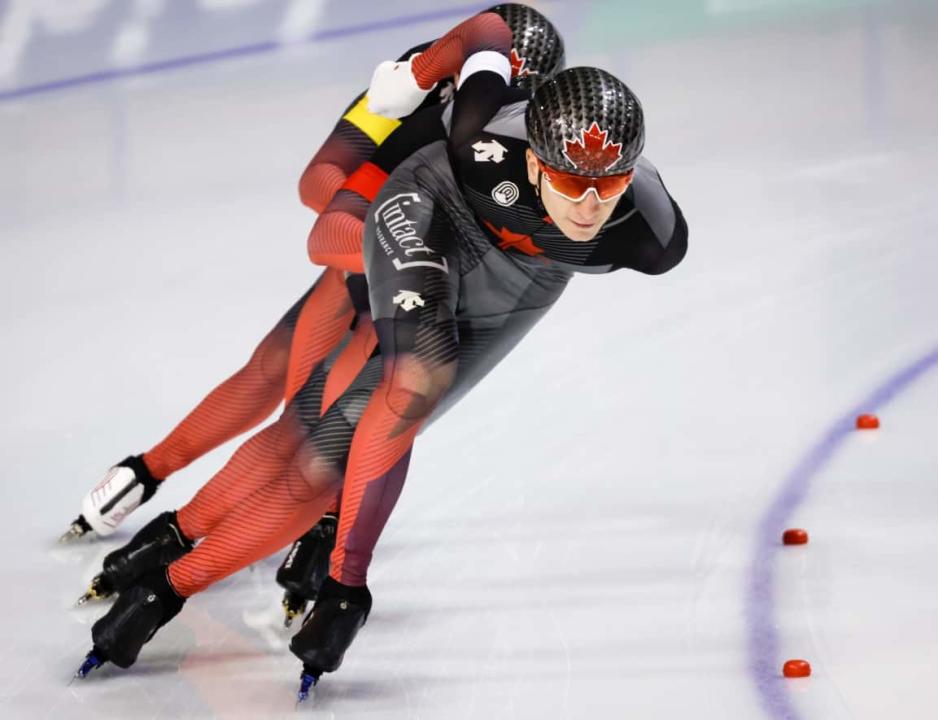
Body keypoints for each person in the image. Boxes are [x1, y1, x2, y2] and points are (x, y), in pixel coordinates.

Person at [78, 62, 687, 697]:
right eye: (569, 181)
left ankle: (181, 575)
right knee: (360, 385)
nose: (590, 205)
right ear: (534, 160)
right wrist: (434, 72)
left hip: (518, 281)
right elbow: (324, 213)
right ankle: (219, 547)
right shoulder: (472, 136)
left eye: (609, 183)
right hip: (423, 213)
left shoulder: (651, 234)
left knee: (327, 454)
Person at [61, 4, 561, 543]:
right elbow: (318, 179)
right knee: (273, 375)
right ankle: (149, 475)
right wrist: (395, 234)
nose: (493, 104)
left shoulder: (532, 146)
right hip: (366, 257)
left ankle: (275, 526)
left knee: (316, 418)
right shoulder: (413, 82)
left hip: (406, 280)